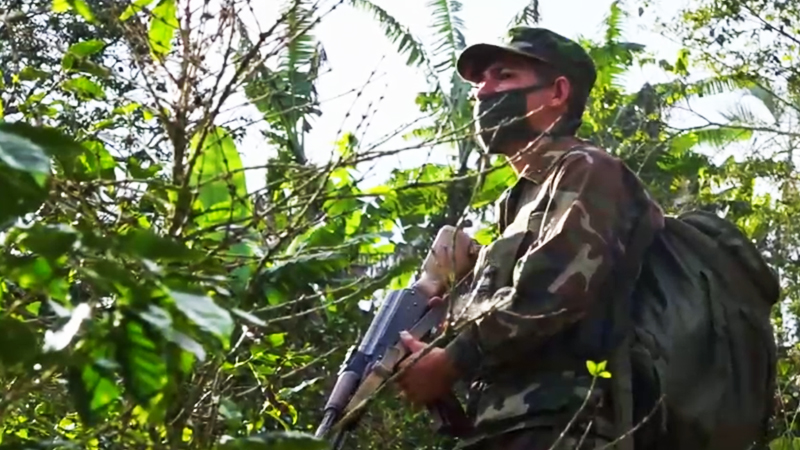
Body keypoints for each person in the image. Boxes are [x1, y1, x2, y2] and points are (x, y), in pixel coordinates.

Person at [394, 27, 666, 449]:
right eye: (480, 82)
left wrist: (452, 360)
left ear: (558, 92)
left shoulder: (587, 168)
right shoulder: (518, 200)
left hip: (567, 423)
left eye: (503, 76)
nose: (483, 92)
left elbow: (554, 291)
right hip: (505, 424)